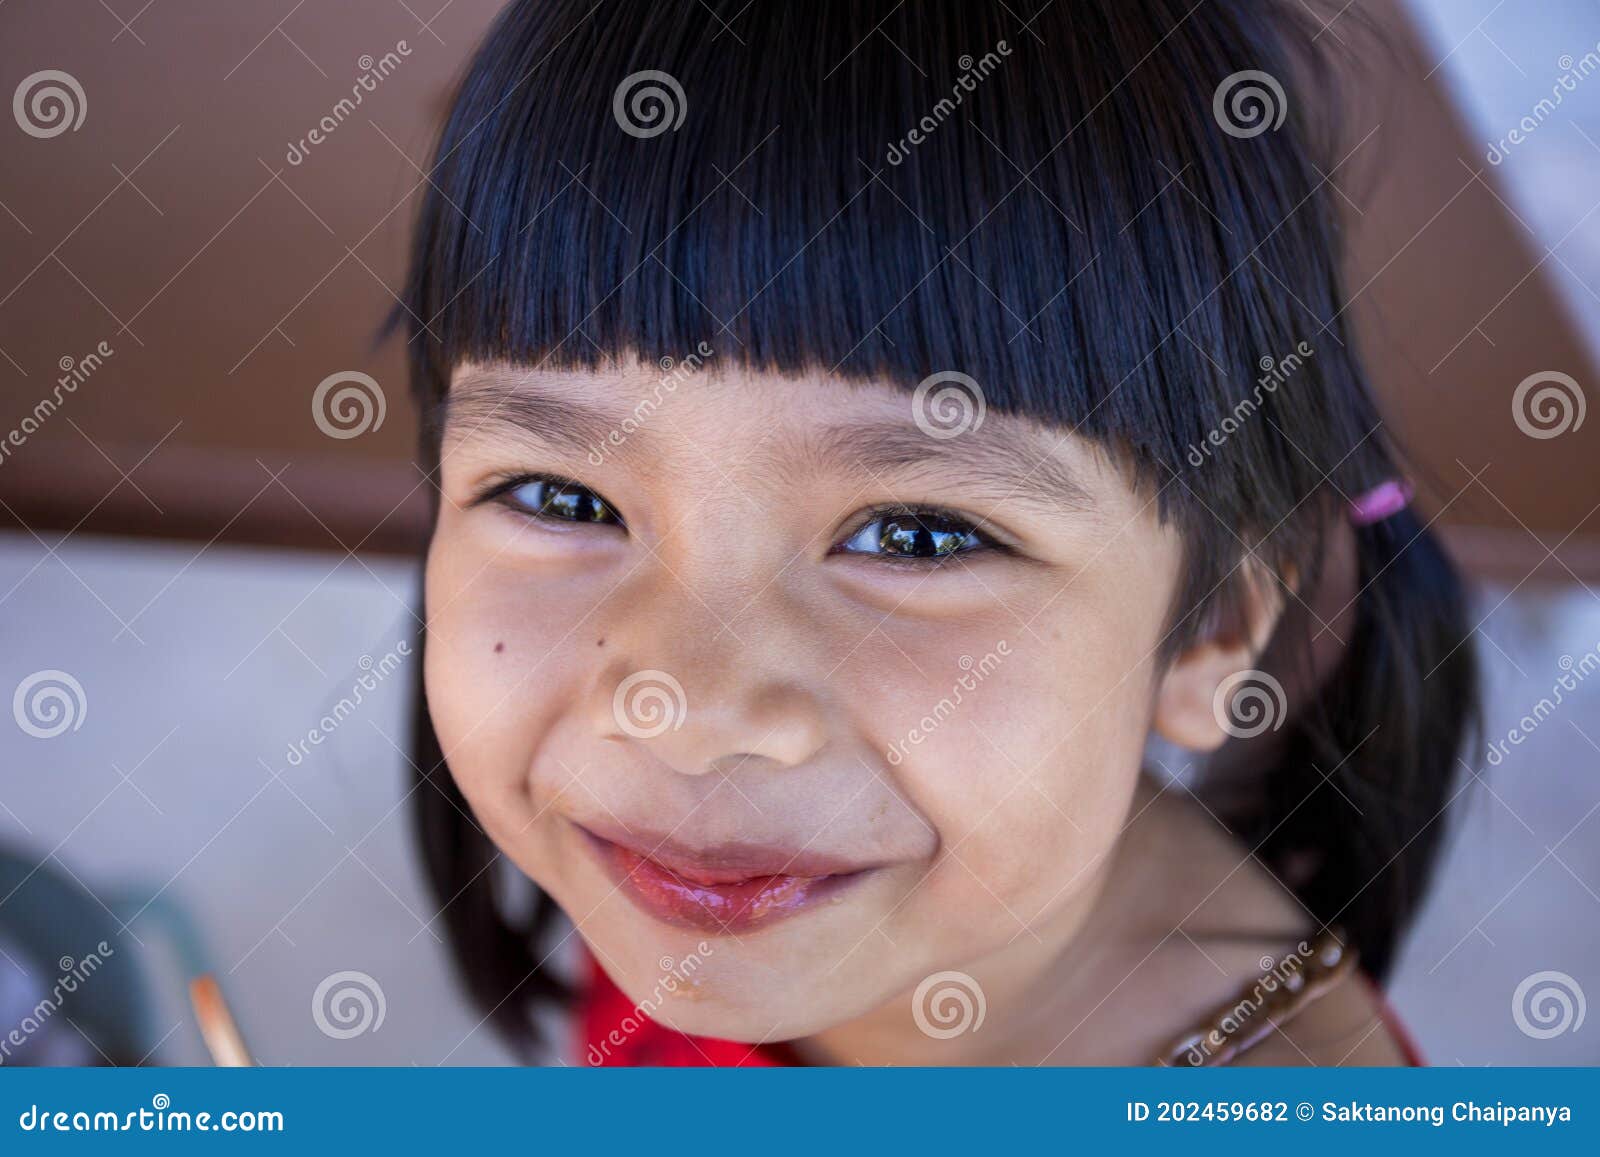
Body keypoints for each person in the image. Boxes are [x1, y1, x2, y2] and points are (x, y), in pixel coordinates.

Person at [397, 0, 1477, 1066]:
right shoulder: (709, 859)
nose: (682, 711)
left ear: (1217, 624)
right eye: (564, 498)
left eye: (915, 535)